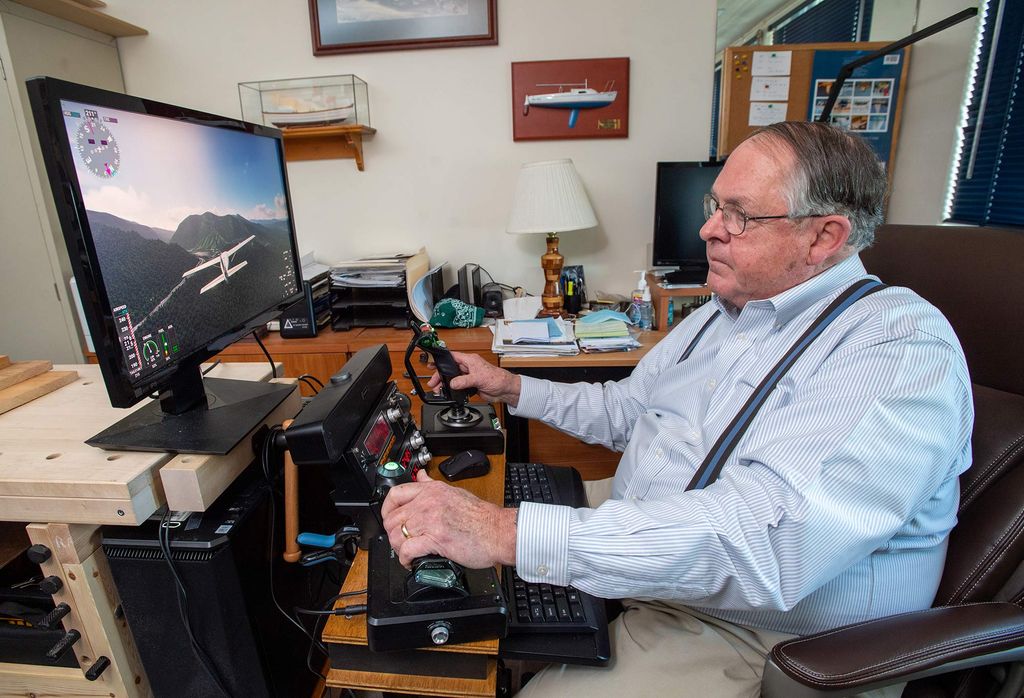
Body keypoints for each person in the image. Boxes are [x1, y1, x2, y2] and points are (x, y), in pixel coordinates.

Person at [381, 121, 973, 697]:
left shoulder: (896, 348)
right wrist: (511, 387)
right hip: (650, 540)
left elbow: (762, 542)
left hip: (751, 633)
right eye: (715, 206)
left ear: (823, 237)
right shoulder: (727, 309)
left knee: (484, 554)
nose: (708, 229)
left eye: (738, 215)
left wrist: (505, 532)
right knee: (437, 559)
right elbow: (627, 409)